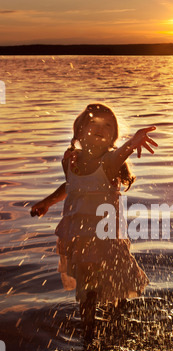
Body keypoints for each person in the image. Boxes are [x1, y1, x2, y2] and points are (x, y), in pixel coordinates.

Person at [31, 103, 157, 339]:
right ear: (79, 132)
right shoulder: (70, 161)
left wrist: (134, 141)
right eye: (94, 123)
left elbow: (124, 151)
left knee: (117, 284)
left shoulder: (109, 162)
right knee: (87, 289)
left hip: (106, 237)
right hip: (80, 237)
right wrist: (47, 202)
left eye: (108, 125)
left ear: (113, 138)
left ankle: (120, 329)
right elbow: (70, 186)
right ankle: (89, 333)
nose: (100, 128)